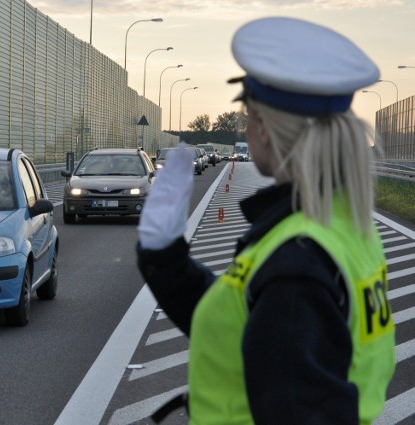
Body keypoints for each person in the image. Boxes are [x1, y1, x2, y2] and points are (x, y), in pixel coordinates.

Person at [137, 16, 396, 425]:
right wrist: (165, 259)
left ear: (262, 127)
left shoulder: (296, 266)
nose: (244, 125)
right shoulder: (340, 226)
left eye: (247, 114)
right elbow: (245, 328)